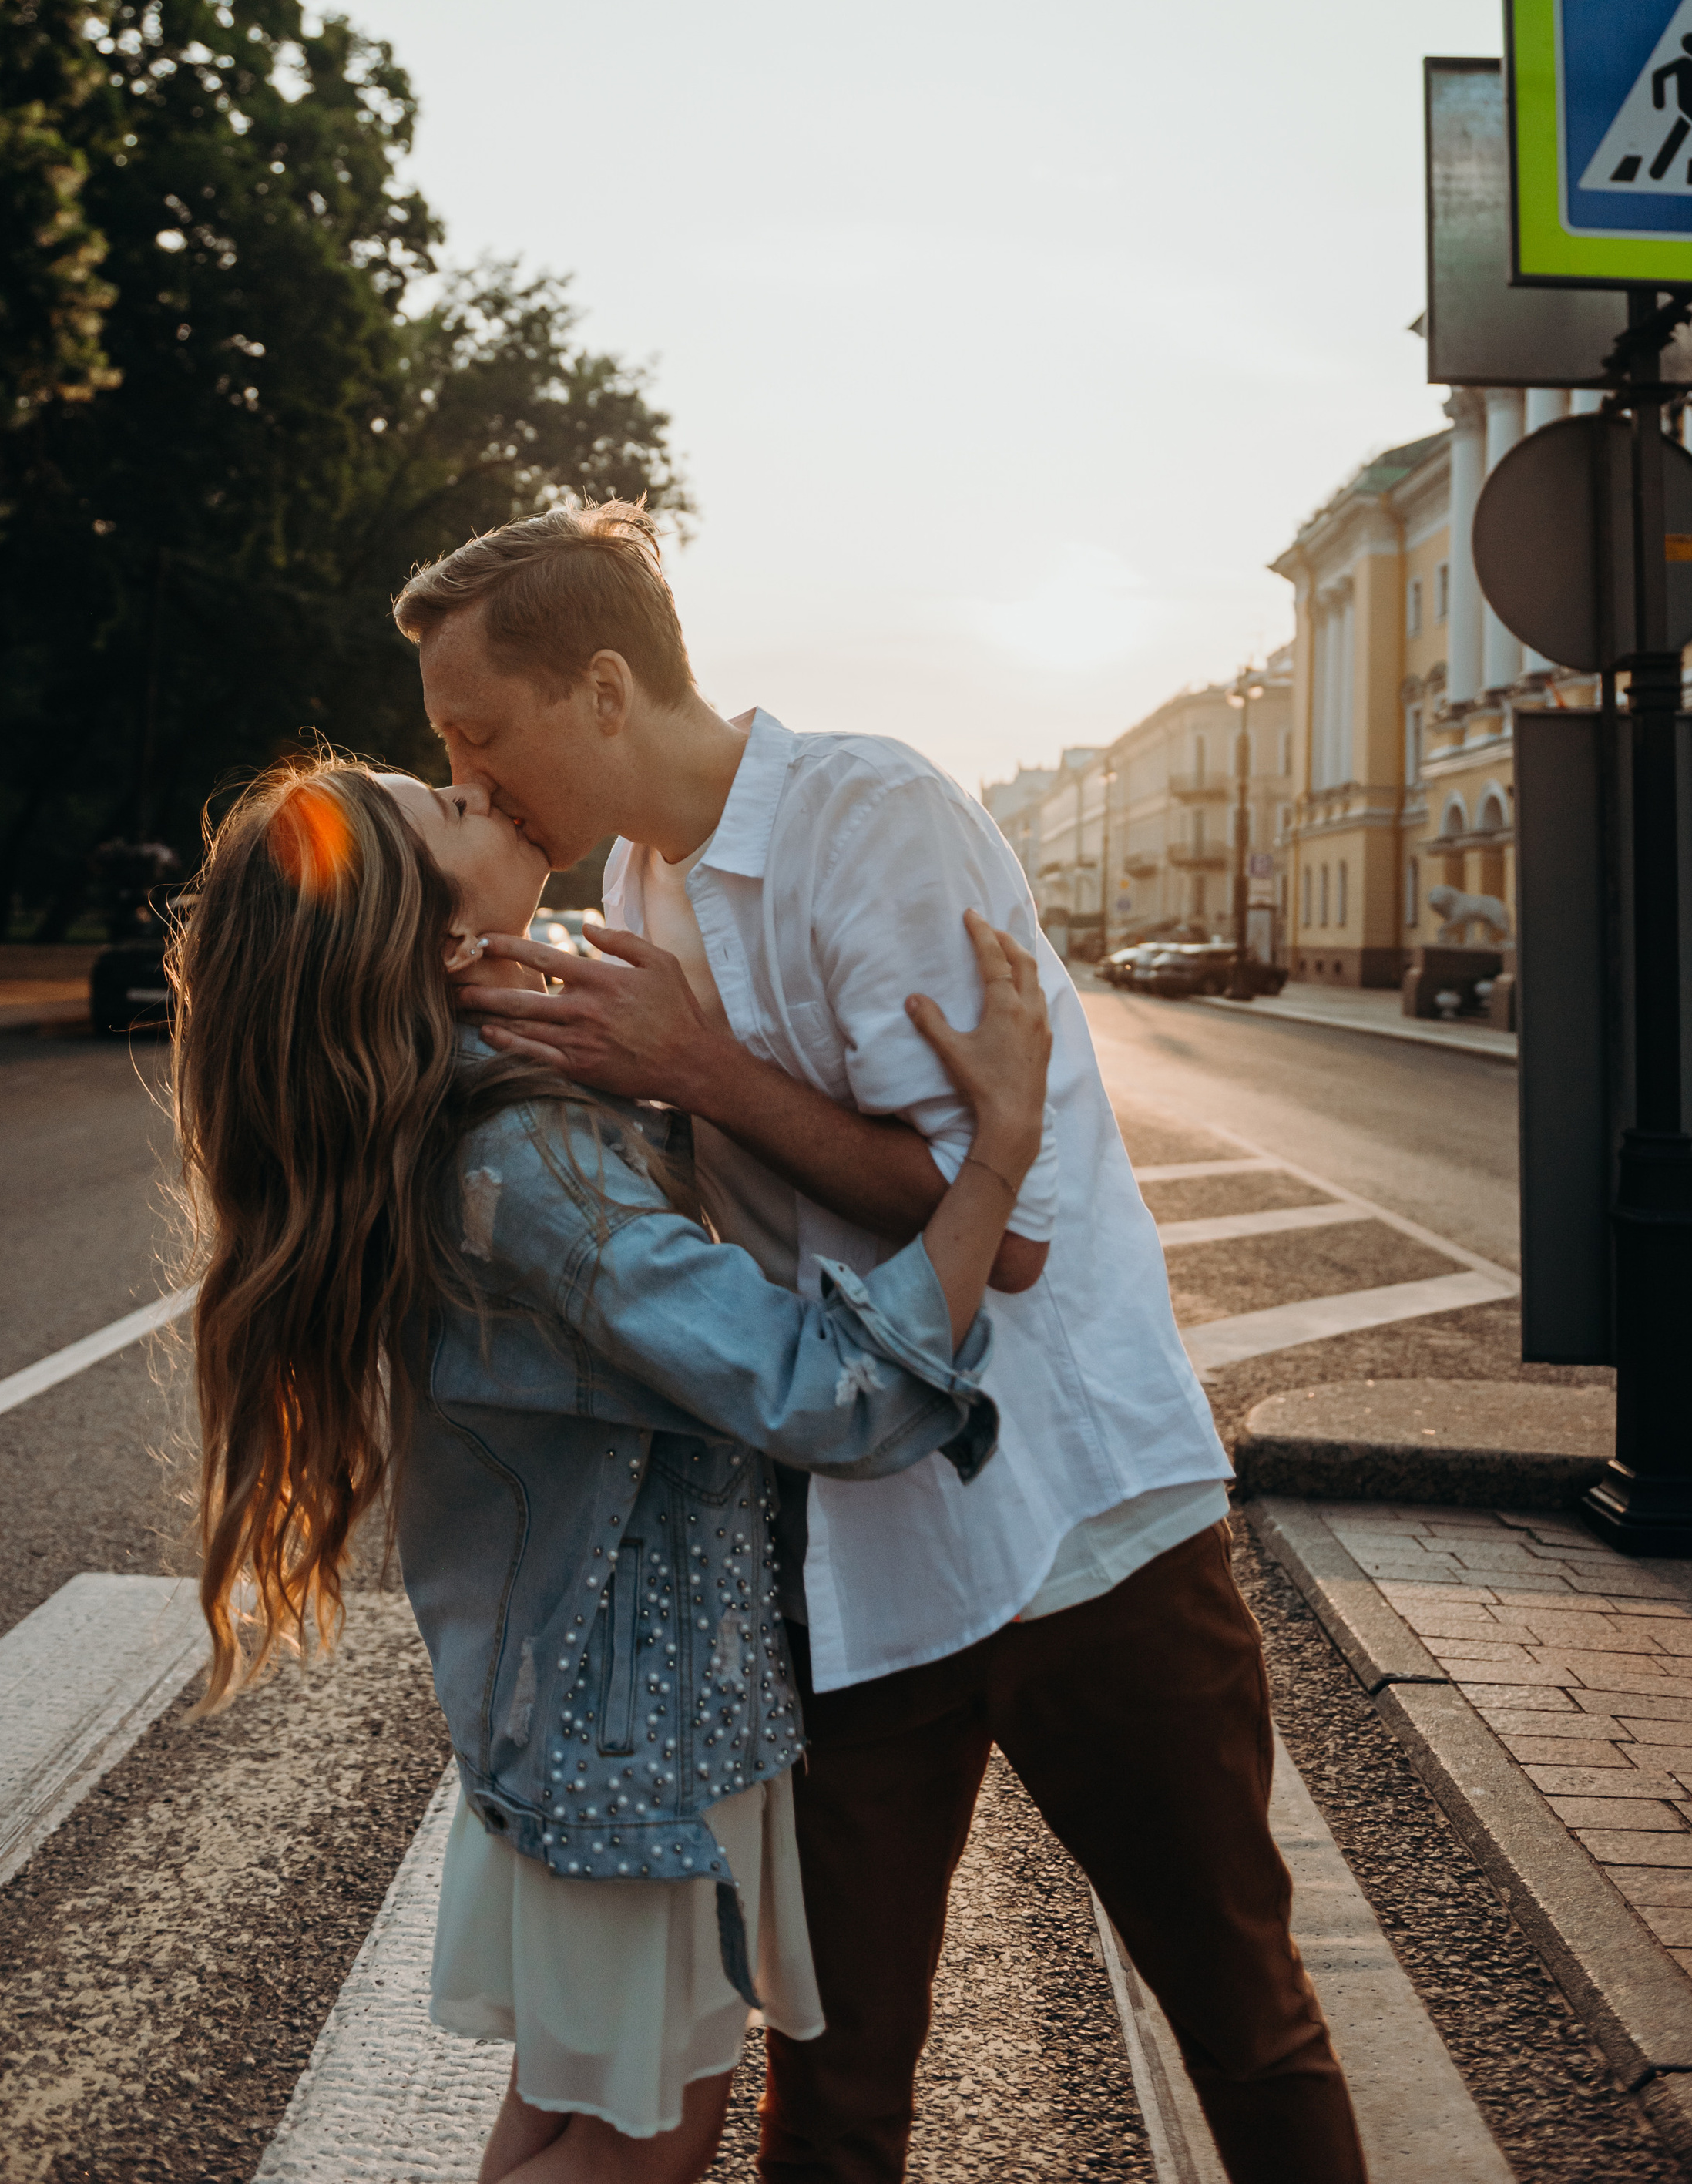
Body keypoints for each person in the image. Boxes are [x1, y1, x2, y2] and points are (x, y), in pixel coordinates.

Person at [395, 501, 1368, 2184]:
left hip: (1076, 1534)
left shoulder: (874, 820)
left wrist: (694, 1072)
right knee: (831, 2096)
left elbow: (1010, 1233)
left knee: (1245, 2025)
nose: (474, 782)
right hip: (848, 1556)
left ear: (605, 691)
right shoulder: (638, 877)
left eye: (481, 735)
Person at [170, 749, 1052, 2184]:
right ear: (446, 945)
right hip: (637, 1747)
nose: (476, 787)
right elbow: (825, 1389)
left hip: (599, 1727)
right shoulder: (527, 1171)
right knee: (638, 2150)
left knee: (568, 2118)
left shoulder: (477, 1112)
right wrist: (997, 1152)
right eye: (445, 809)